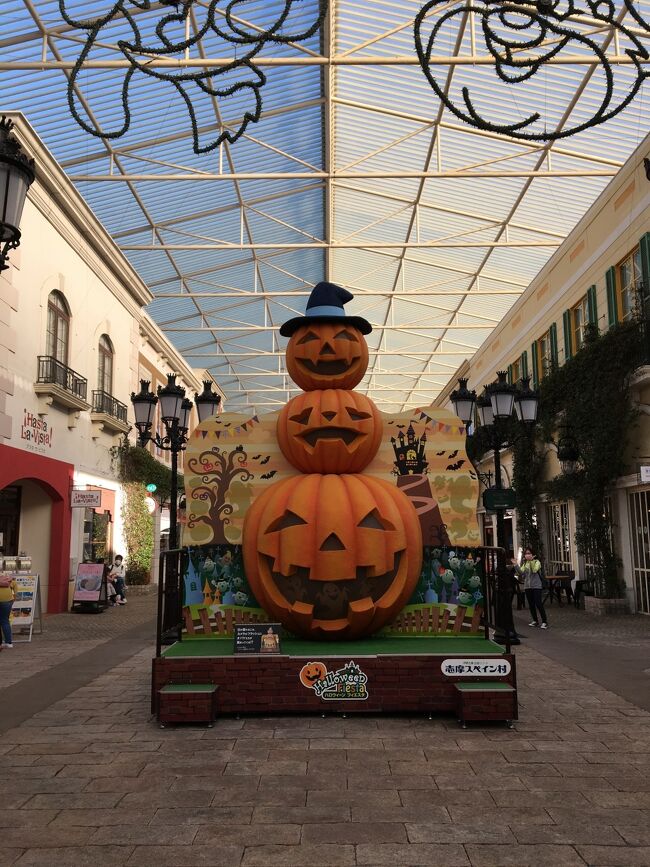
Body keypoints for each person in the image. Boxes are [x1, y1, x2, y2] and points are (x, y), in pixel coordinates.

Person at [516, 547, 548, 629]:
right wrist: (516, 565)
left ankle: (544, 621)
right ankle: (535, 620)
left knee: (538, 603)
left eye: (529, 553)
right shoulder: (525, 563)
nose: (527, 555)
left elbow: (534, 570)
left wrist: (531, 561)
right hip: (528, 586)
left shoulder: (537, 562)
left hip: (536, 586)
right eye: (526, 553)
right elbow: (521, 573)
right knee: (531, 604)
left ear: (533, 554)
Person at [0, 571, 17, 648]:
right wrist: (13, 599)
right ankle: (9, 642)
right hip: (8, 601)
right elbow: (15, 588)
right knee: (5, 620)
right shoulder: (8, 578)